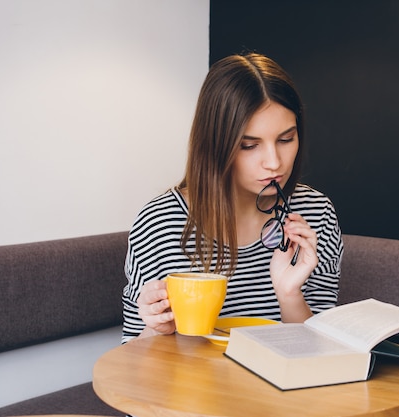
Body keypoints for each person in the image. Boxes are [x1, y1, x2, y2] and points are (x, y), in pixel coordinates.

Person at [121, 53, 343, 343]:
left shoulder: (315, 213)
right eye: (250, 145)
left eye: (286, 139)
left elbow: (325, 353)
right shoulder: (159, 223)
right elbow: (131, 359)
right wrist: (155, 328)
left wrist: (289, 295)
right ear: (215, 145)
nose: (274, 162)